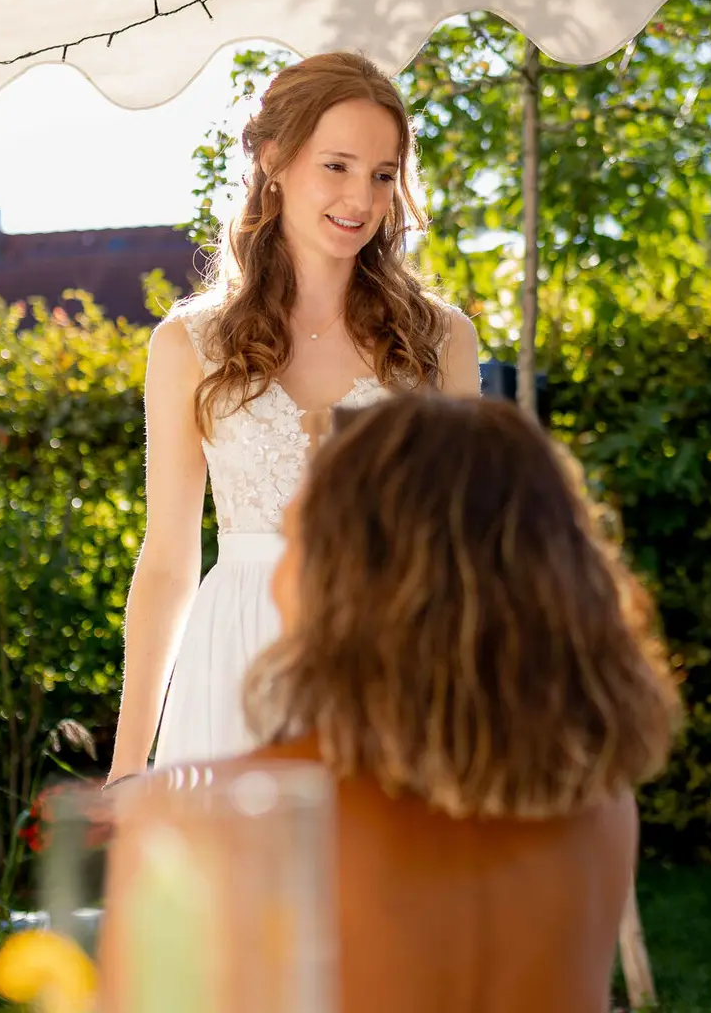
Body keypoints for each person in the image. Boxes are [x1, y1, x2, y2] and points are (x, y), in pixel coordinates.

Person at [101, 394, 680, 1013]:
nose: (276, 576)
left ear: (352, 580)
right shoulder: (598, 806)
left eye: (294, 539)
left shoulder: (224, 818)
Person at [105, 52, 479, 780]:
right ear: (274, 160)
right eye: (337, 166)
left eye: (383, 174)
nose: (361, 198)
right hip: (235, 668)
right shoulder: (190, 345)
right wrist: (127, 762)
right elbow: (169, 563)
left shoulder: (440, 340)